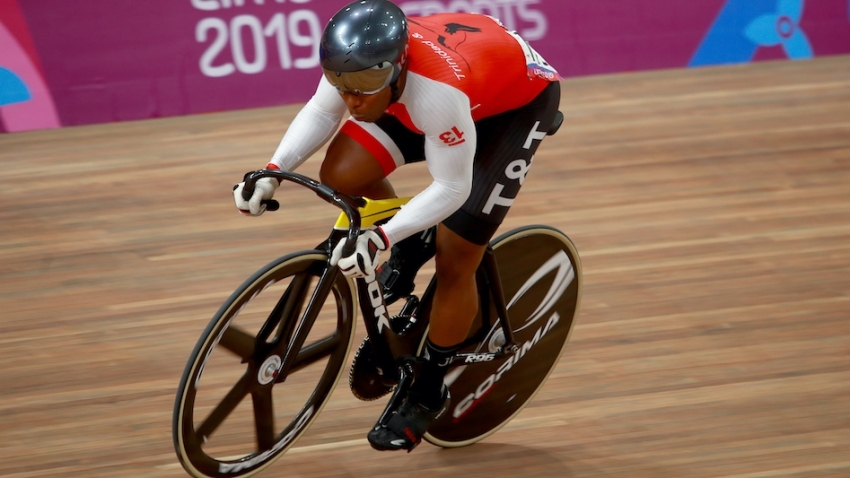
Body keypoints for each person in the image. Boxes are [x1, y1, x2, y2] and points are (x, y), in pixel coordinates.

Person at [233, 0, 562, 452]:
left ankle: (429, 387)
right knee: (342, 174)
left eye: (366, 86)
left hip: (512, 105)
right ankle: (411, 240)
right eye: (343, 84)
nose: (353, 98)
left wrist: (382, 237)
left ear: (398, 65)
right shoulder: (357, 65)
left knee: (456, 254)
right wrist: (272, 170)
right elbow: (322, 111)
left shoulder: (436, 92)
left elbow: (452, 188)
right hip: (442, 87)